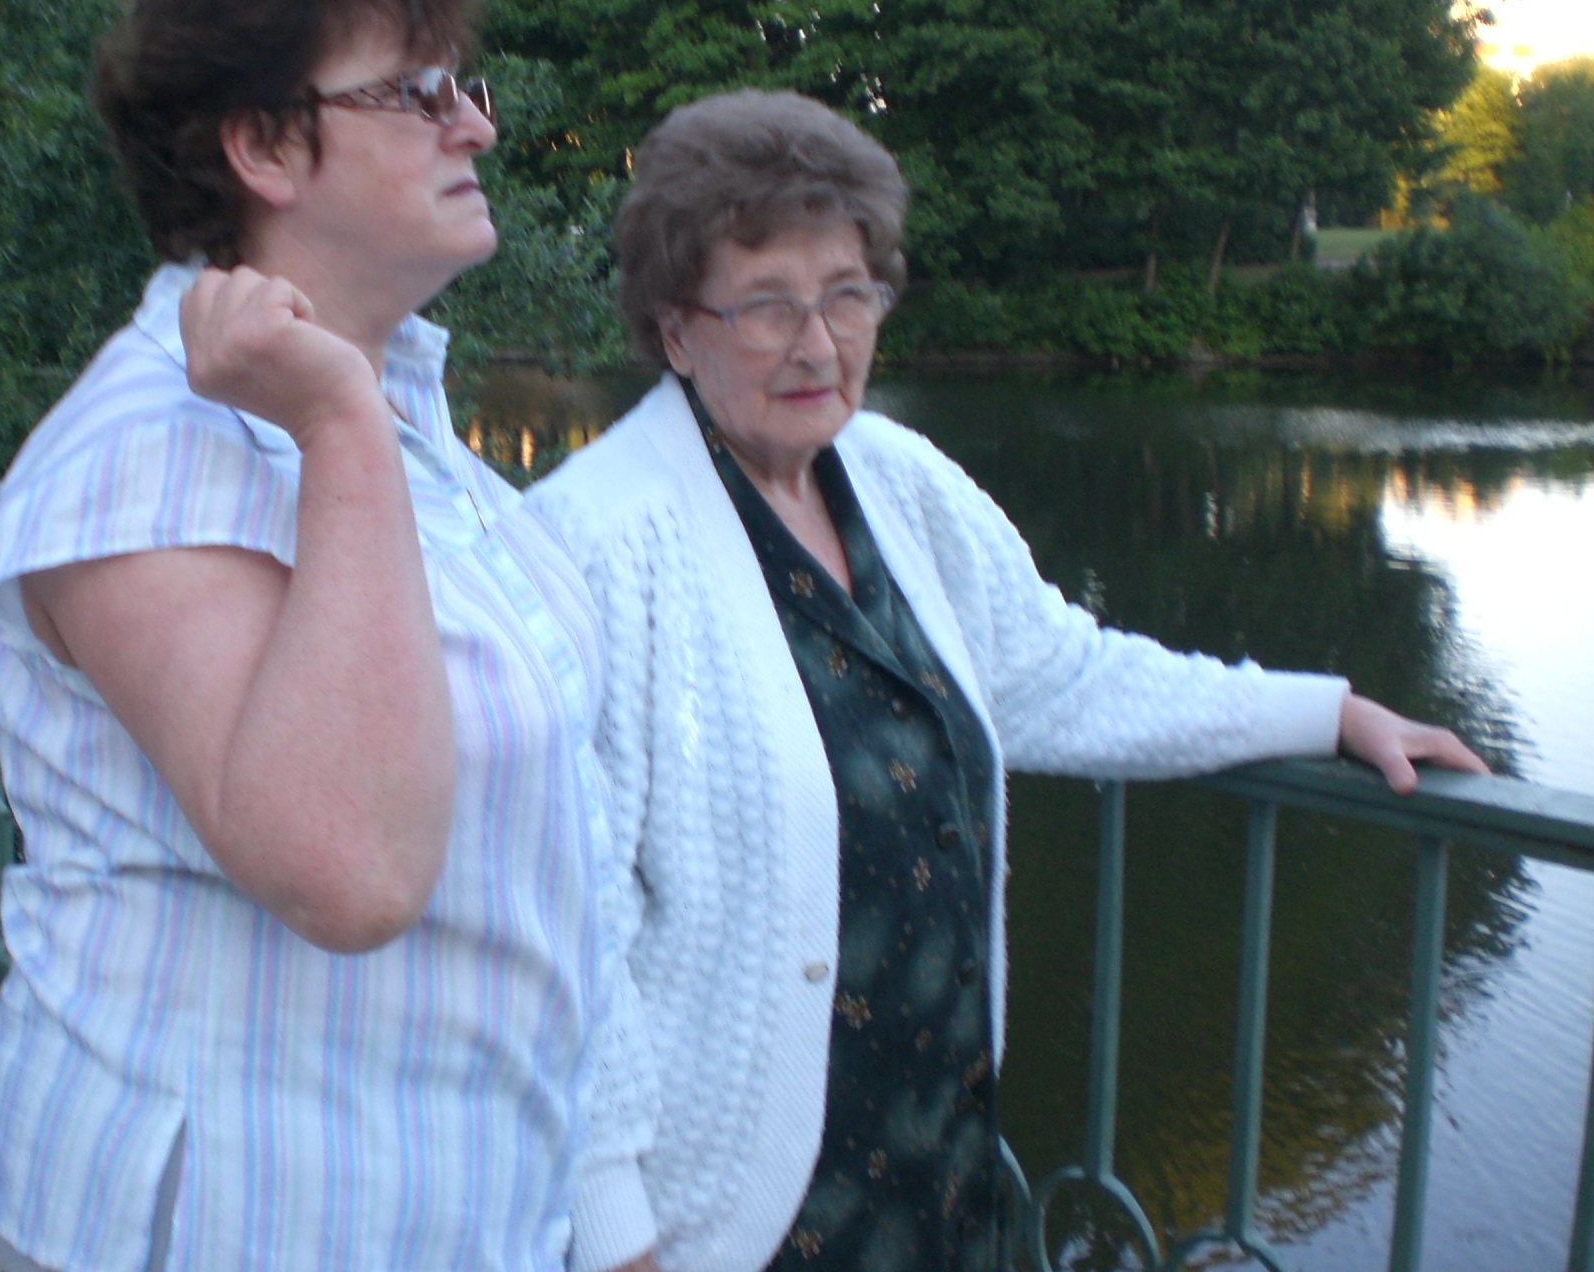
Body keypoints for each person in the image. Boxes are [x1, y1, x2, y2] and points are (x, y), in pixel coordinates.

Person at [525, 90, 1487, 1272]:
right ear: (676, 330)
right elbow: (565, 932)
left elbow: (1061, 675)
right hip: (728, 1217)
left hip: (941, 1166)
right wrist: (615, 1237)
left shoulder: (893, 478)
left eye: (846, 295)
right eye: (767, 305)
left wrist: (1320, 711)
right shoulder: (594, 546)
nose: (818, 345)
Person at [0, 0, 643, 1272]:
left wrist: (603, 1207)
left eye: (463, 85)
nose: (476, 124)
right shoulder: (144, 453)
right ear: (266, 146)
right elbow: (348, 870)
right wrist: (337, 427)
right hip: (259, 1220)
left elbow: (551, 856)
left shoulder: (408, 422)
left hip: (465, 1210)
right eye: (418, 93)